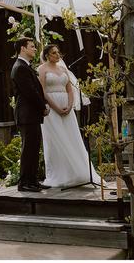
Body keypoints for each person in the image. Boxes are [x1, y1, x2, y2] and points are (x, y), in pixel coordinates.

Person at [38, 44, 101, 187]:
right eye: (54, 53)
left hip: (67, 107)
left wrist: (70, 105)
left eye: (58, 52)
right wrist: (56, 108)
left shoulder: (63, 69)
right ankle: (60, 174)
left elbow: (70, 90)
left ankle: (79, 171)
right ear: (47, 55)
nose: (57, 55)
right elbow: (42, 91)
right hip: (52, 107)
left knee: (72, 137)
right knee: (56, 140)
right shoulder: (42, 69)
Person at [11, 37, 50, 193]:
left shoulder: (25, 66)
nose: (35, 49)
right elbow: (30, 92)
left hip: (31, 114)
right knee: (28, 149)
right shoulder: (20, 67)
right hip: (26, 114)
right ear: (22, 48)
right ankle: (25, 182)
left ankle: (33, 180)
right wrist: (43, 106)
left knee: (34, 148)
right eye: (32, 46)